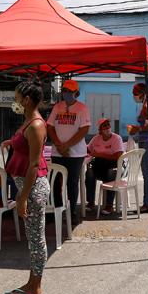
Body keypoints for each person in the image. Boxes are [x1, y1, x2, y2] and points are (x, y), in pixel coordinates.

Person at [2, 79, 49, 294]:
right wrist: (12, 142)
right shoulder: (28, 121)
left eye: (18, 97)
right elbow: (26, 144)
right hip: (27, 188)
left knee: (36, 239)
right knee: (32, 239)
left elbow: (33, 165)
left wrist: (22, 199)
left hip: (33, 189)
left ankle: (37, 287)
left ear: (27, 100)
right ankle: (31, 282)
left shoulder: (37, 124)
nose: (16, 100)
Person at [46, 80, 90, 223]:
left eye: (70, 91)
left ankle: (72, 213)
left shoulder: (82, 108)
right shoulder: (57, 107)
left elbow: (84, 129)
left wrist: (67, 146)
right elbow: (50, 126)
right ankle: (57, 210)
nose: (67, 94)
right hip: (57, 152)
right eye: (65, 91)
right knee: (55, 182)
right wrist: (59, 145)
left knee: (72, 182)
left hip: (75, 153)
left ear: (76, 93)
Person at [127, 83, 148, 214]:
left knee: (147, 173)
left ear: (141, 93)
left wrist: (138, 129)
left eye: (135, 94)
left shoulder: (147, 106)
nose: (134, 96)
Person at [85, 118, 125, 215]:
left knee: (111, 173)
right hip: (100, 165)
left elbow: (118, 156)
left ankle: (109, 205)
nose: (107, 127)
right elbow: (88, 150)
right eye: (104, 126)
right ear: (100, 130)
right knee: (89, 173)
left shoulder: (117, 138)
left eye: (108, 125)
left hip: (115, 166)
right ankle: (90, 202)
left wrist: (99, 154)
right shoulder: (96, 139)